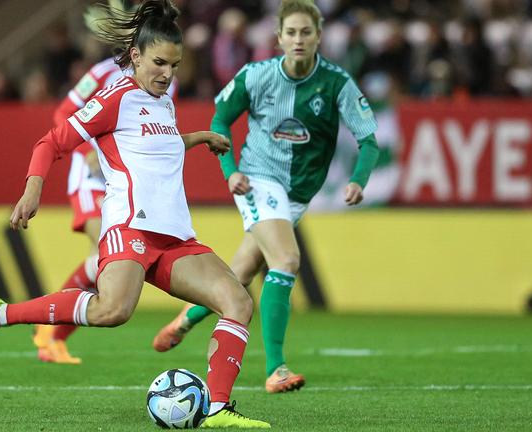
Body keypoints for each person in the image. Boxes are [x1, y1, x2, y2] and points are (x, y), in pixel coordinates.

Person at [0, 1, 270, 428]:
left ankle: (217, 409)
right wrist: (33, 188)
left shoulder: (164, 103)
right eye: (158, 63)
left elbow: (154, 143)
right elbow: (52, 142)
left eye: (174, 65)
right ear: (135, 56)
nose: (167, 74)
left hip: (174, 236)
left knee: (238, 302)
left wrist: (197, 138)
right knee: (111, 311)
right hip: (130, 226)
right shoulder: (114, 98)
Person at [152, 0, 380, 395]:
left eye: (305, 32)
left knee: (239, 275)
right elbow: (220, 119)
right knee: (287, 259)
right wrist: (231, 171)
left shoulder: (337, 83)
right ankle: (276, 368)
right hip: (258, 179)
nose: (297, 39)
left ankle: (186, 319)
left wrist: (359, 179)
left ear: (318, 37)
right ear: (278, 38)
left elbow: (369, 140)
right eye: (290, 32)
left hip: (297, 193)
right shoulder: (255, 76)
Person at [31, 0, 178, 365]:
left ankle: (52, 332)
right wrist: (87, 151)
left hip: (126, 184)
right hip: (91, 178)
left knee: (103, 258)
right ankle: (51, 330)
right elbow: (63, 114)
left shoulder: (163, 82)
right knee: (105, 255)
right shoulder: (102, 72)